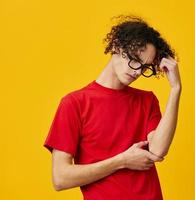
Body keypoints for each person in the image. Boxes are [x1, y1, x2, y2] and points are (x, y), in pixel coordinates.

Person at [43, 14, 182, 200]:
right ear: (117, 46)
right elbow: (60, 178)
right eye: (134, 60)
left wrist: (175, 89)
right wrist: (122, 161)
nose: (136, 71)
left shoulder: (146, 100)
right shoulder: (74, 103)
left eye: (144, 67)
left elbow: (158, 151)